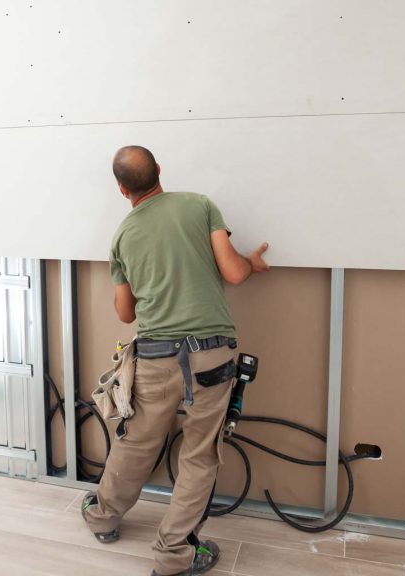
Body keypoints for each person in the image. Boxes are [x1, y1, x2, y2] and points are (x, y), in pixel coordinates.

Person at [82, 145, 270, 575]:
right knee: (200, 454)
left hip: (155, 357)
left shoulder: (123, 235)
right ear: (160, 171)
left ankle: (103, 517)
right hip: (211, 357)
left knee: (136, 443)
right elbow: (235, 273)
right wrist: (252, 264)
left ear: (122, 189)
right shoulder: (200, 205)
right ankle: (173, 556)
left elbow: (125, 313)